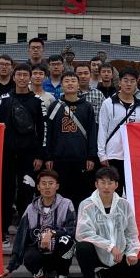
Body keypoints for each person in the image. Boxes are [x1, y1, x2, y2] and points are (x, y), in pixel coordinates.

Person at [75, 166, 140, 278]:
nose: (106, 187)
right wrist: (110, 246)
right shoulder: (86, 205)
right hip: (97, 255)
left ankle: (105, 274)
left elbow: (131, 233)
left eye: (110, 183)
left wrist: (132, 252)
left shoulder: (124, 205)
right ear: (96, 184)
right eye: (102, 182)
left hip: (118, 256)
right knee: (82, 247)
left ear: (116, 185)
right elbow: (83, 233)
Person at [0, 63, 45, 243]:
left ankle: (27, 229)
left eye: (25, 75)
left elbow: (43, 129)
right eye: (19, 75)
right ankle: (2, 230)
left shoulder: (37, 101)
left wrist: (40, 155)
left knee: (27, 191)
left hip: (29, 154)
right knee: (5, 191)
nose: (22, 78)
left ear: (30, 78)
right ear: (13, 78)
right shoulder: (4, 99)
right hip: (6, 154)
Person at [2, 169, 75, 278]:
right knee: (28, 255)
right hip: (39, 252)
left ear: (57, 186)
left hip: (58, 254)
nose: (47, 187)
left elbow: (72, 229)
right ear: (38, 187)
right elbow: (20, 238)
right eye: (44, 183)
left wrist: (52, 233)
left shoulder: (66, 204)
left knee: (67, 242)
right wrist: (11, 267)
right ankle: (39, 274)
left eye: (51, 183)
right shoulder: (31, 208)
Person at [45, 72, 98, 208]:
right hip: (60, 158)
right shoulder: (55, 106)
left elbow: (92, 132)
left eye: (73, 81)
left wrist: (91, 156)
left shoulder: (87, 107)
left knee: (81, 193)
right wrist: (49, 156)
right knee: (62, 194)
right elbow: (49, 132)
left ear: (78, 84)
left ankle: (80, 219)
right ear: (61, 85)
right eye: (67, 81)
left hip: (81, 158)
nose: (70, 83)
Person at [97, 67, 140, 196]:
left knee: (133, 193)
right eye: (125, 80)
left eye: (132, 81)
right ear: (119, 82)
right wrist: (102, 154)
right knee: (114, 193)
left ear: (136, 83)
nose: (128, 84)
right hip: (113, 155)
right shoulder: (108, 104)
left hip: (134, 156)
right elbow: (102, 129)